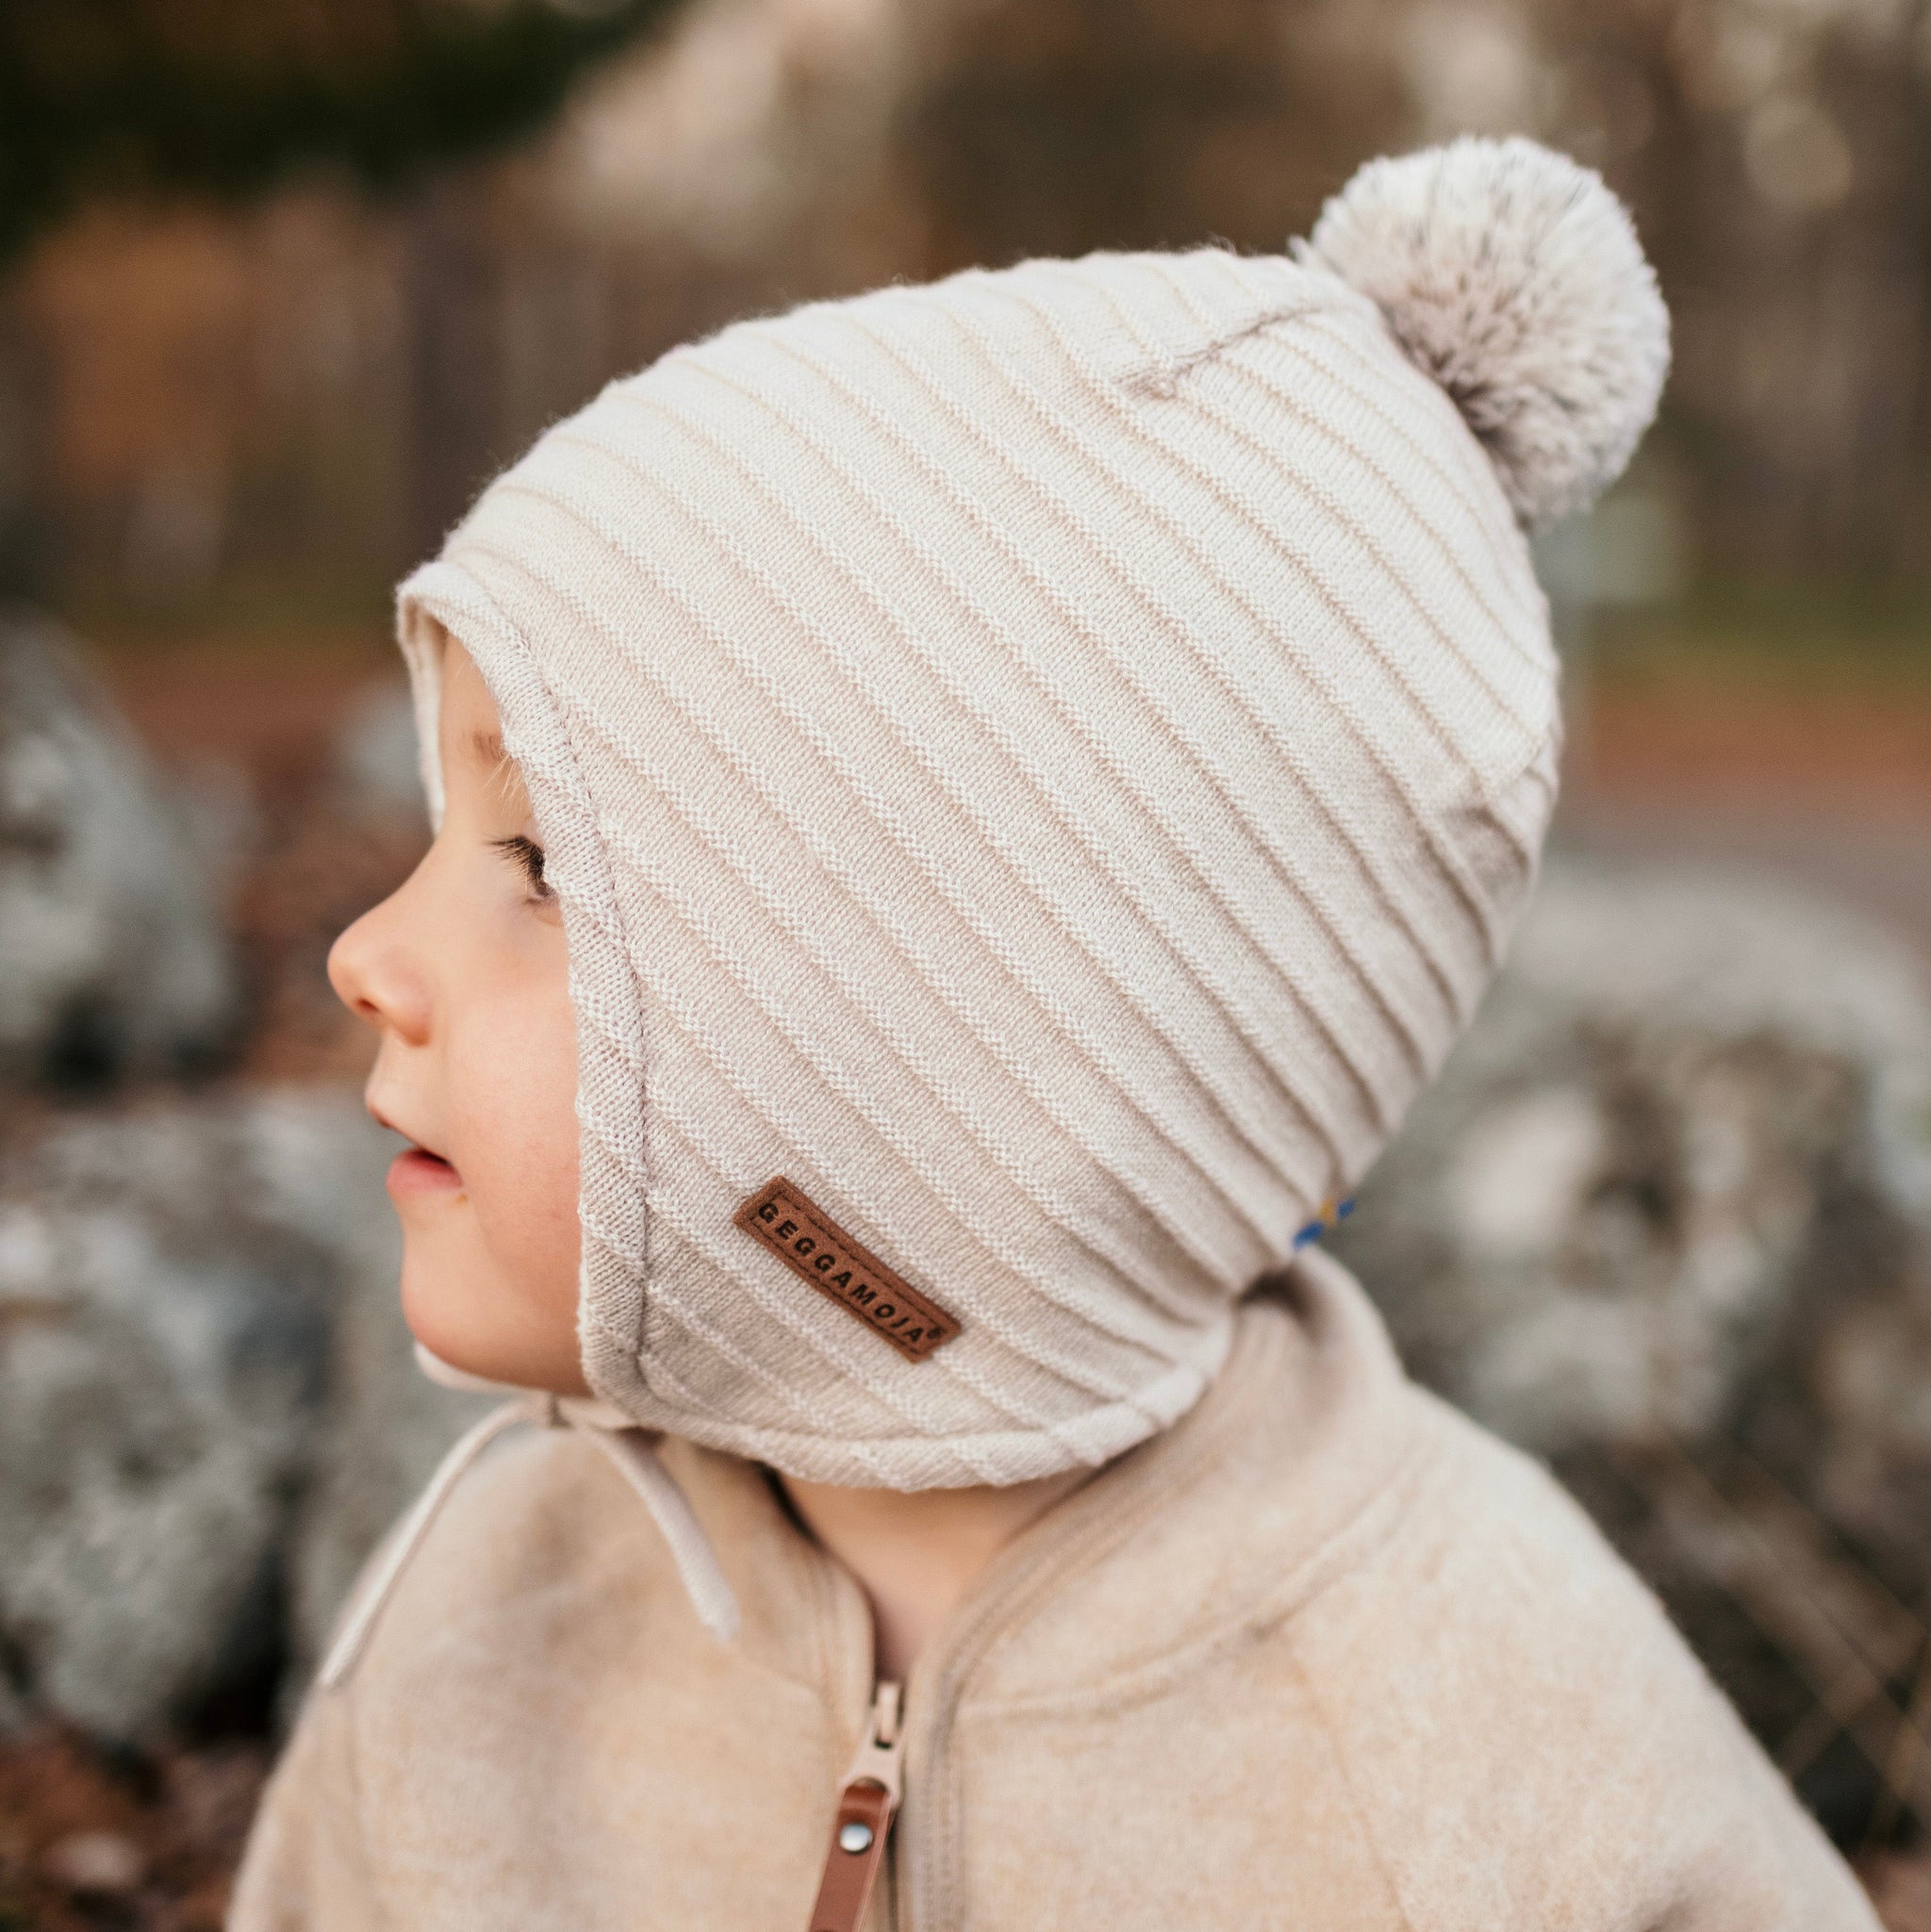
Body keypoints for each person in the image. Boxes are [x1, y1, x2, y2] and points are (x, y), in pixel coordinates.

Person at [231, 137, 1881, 1928]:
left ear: (963, 1083)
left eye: (543, 864)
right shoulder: (485, 1632)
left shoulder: (1508, 1751)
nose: (367, 952)